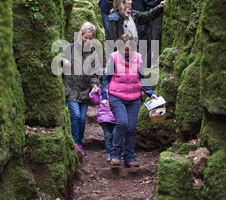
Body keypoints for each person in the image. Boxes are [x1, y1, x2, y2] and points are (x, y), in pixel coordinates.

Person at [101, 34, 157, 167]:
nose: (126, 52)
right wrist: (104, 97)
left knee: (131, 128)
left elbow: (142, 78)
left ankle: (129, 157)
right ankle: (115, 154)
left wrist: (150, 93)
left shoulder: (138, 58)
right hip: (117, 96)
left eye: (128, 49)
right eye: (124, 49)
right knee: (122, 124)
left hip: (134, 97)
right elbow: (105, 80)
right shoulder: (113, 58)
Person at [61, 22, 99, 156]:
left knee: (83, 119)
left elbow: (94, 73)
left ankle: (79, 142)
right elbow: (56, 59)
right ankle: (74, 143)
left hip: (84, 91)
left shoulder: (93, 54)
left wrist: (94, 84)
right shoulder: (69, 48)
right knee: (75, 115)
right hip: (70, 88)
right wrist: (62, 61)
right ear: (80, 35)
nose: (87, 40)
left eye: (90, 38)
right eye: (85, 37)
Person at [117, 0, 163, 67]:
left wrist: (159, 1)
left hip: (141, 27)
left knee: (140, 53)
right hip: (125, 29)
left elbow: (151, 3)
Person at [89, 75, 117, 162]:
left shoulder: (117, 89)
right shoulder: (100, 90)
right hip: (104, 117)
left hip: (116, 116)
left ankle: (115, 152)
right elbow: (95, 101)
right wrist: (93, 93)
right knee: (108, 135)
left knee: (115, 134)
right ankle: (109, 153)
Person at [146, 0, 164, 65]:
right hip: (150, 16)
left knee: (156, 38)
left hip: (158, 17)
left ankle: (156, 61)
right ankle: (148, 62)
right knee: (150, 38)